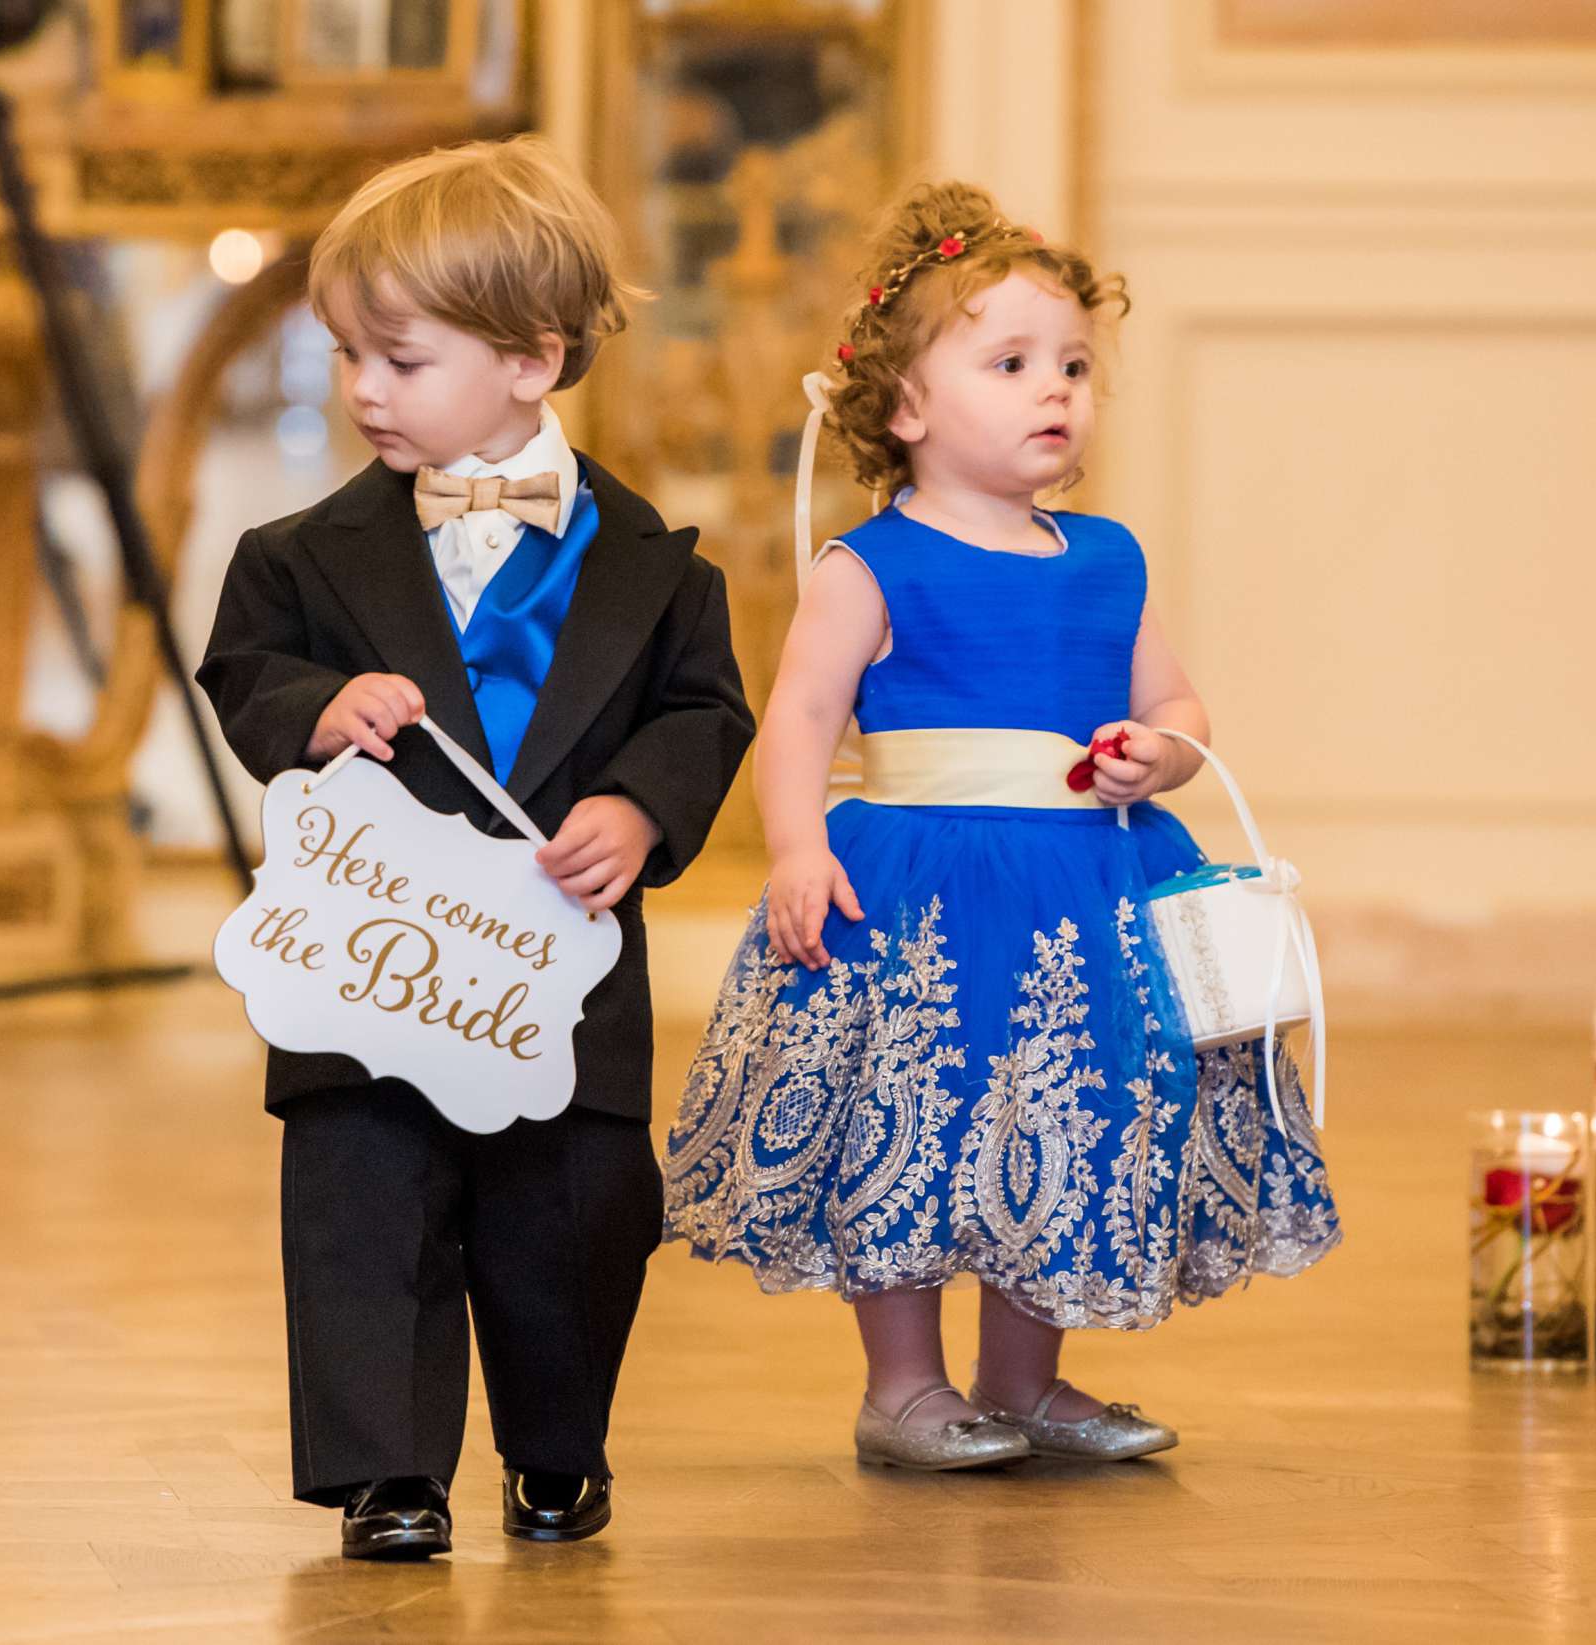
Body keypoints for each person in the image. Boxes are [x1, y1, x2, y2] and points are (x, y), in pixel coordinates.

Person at [662, 180, 1339, 1471]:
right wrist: (800, 847)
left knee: (1064, 1117)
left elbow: (1173, 695)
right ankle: (901, 1383)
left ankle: (1024, 1379)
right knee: (914, 1113)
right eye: (1014, 362)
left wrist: (1162, 749)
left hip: (1088, 883)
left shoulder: (1105, 558)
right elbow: (799, 719)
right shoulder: (872, 567)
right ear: (907, 406)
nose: (1057, 391)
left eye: (1075, 365)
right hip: (917, 887)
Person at [196, 135, 753, 1556]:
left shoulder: (658, 566)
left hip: (556, 975)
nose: (364, 390)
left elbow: (702, 713)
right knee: (363, 1211)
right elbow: (240, 672)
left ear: (530, 357)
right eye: (347, 357)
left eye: (401, 358)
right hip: (372, 965)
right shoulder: (298, 558)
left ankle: (558, 1447)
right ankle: (386, 1469)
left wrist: (638, 806)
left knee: (573, 1219)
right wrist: (319, 705)